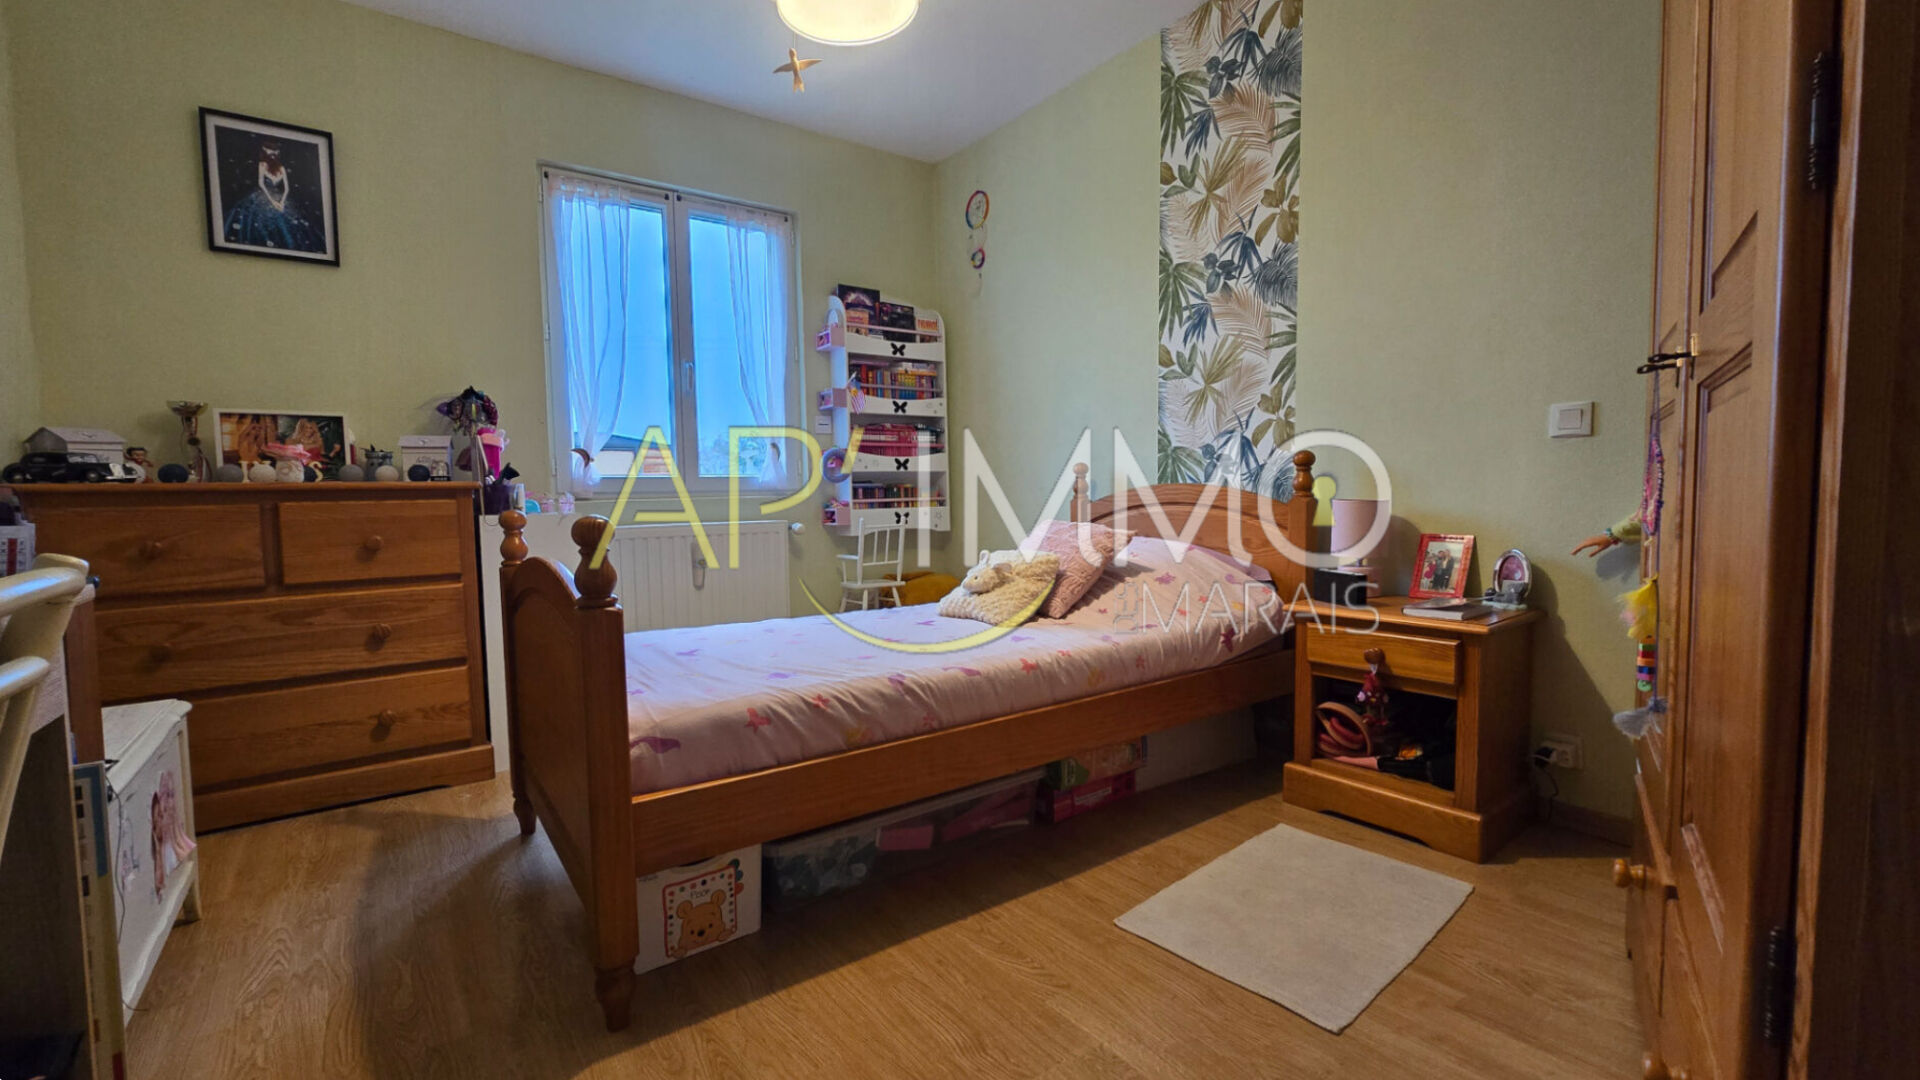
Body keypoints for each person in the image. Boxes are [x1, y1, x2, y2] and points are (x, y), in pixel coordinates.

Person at [223, 141, 321, 252]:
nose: (272, 153)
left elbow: (287, 188)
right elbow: (261, 184)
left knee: (290, 224)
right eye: (270, 151)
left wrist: (282, 202)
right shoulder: (262, 165)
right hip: (264, 195)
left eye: (274, 151)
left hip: (278, 196)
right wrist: (273, 201)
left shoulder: (281, 168)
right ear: (265, 151)